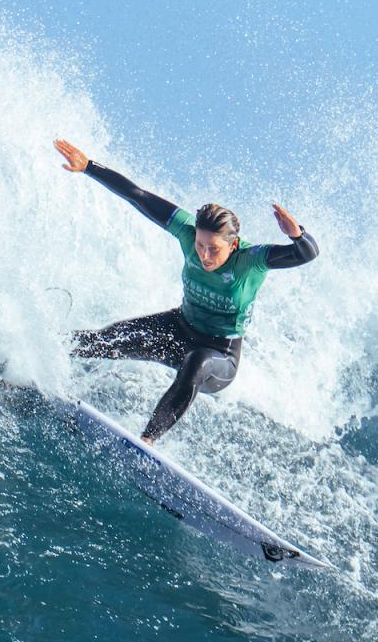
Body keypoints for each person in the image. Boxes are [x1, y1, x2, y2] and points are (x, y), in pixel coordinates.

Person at [54, 138, 319, 444]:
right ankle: (35, 353)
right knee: (109, 338)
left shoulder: (251, 260)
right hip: (178, 330)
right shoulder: (186, 231)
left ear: (233, 244)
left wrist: (297, 234)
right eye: (200, 246)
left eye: (214, 249)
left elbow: (307, 254)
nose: (205, 255)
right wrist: (89, 167)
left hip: (219, 357)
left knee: (196, 363)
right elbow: (138, 196)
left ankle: (147, 442)